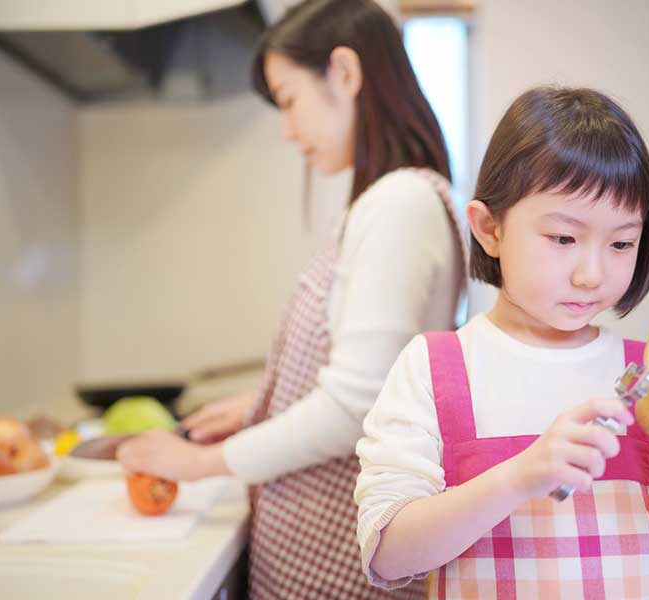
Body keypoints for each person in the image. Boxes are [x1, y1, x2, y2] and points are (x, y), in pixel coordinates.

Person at [355, 86, 649, 598]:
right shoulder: (433, 368)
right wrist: (519, 477)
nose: (592, 274)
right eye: (563, 239)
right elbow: (388, 555)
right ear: (489, 229)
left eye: (622, 243)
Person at [117, 1, 464, 597]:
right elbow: (378, 379)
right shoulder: (398, 201)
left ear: (345, 74)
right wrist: (262, 401)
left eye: (288, 99)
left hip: (337, 566)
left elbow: (356, 405)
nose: (287, 129)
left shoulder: (398, 204)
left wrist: (202, 463)